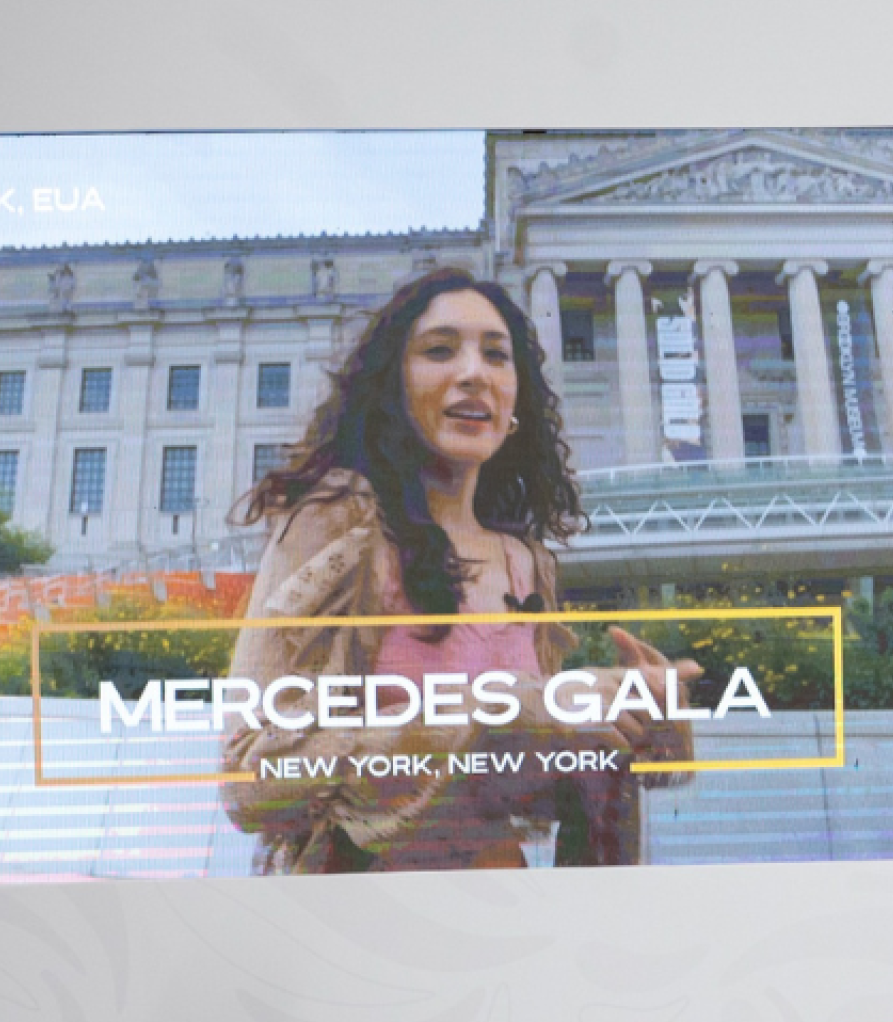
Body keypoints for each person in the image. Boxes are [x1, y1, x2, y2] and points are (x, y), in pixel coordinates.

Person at [220, 268, 699, 874]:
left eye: (496, 355)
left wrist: (634, 729)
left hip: (511, 920)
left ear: (515, 402)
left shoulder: (527, 563)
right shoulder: (335, 522)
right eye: (440, 350)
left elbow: (525, 769)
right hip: (366, 919)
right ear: (394, 386)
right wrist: (507, 711)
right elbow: (251, 775)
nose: (474, 372)